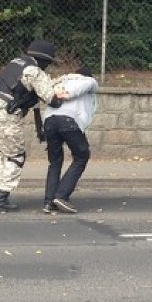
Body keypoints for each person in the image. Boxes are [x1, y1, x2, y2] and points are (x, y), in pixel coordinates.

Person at [0, 40, 66, 213]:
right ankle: (2, 199)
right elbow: (53, 100)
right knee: (16, 156)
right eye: (48, 63)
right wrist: (62, 94)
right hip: (3, 113)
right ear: (44, 60)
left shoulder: (16, 62)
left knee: (5, 150)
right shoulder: (34, 71)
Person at [41, 66, 99, 214]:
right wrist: (68, 94)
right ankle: (61, 196)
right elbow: (86, 84)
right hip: (69, 121)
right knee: (81, 156)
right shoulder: (88, 81)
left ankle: (49, 202)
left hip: (49, 122)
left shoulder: (61, 81)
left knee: (55, 161)